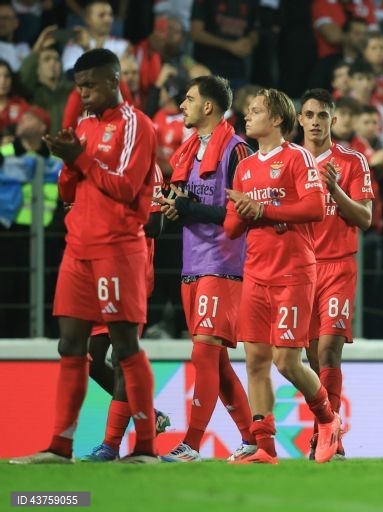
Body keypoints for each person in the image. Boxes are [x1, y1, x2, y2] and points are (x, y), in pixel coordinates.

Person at [10, 48, 158, 464]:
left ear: (114, 81)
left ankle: (144, 446)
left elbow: (127, 186)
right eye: (79, 87)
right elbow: (70, 191)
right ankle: (60, 446)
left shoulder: (136, 126)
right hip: (78, 249)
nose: (85, 93)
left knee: (125, 346)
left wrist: (79, 158)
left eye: (91, 85)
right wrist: (67, 161)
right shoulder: (83, 125)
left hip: (117, 248)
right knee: (70, 345)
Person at [223, 88, 342, 465]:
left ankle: (328, 419)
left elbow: (315, 207)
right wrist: (244, 211)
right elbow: (229, 228)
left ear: (276, 119)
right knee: (256, 361)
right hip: (255, 273)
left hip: (293, 272)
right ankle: (264, 447)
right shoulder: (244, 167)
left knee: (287, 362)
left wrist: (263, 209)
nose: (247, 116)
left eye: (255, 110)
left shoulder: (296, 157)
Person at [154, 75, 257, 463]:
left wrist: (187, 208)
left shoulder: (237, 151)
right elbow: (193, 207)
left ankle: (192, 444)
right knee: (217, 360)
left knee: (204, 353)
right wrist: (174, 206)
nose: (182, 105)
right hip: (192, 263)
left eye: (189, 98)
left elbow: (237, 214)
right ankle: (253, 440)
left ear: (208, 107)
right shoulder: (188, 151)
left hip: (225, 264)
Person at [298, 88, 374, 459]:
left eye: (322, 115)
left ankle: (330, 440)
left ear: (334, 120)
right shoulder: (289, 160)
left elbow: (365, 218)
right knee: (312, 359)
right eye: (309, 115)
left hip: (338, 266)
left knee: (329, 351)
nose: (315, 122)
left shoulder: (352, 161)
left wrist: (335, 190)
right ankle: (326, 429)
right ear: (299, 119)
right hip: (298, 268)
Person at [80, 162, 170, 461]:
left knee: (122, 357)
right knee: (89, 354)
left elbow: (155, 225)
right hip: (100, 267)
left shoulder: (148, 167)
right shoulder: (96, 165)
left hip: (132, 272)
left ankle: (110, 445)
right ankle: (150, 413)